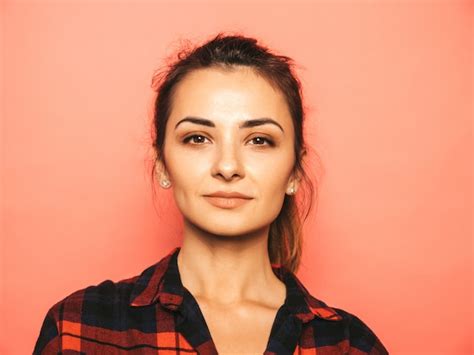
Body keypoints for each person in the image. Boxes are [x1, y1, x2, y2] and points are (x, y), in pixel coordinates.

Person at [33, 32, 389, 354]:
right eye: (198, 138)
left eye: (260, 140)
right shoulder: (77, 328)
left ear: (294, 171)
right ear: (162, 164)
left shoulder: (349, 345)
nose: (228, 166)